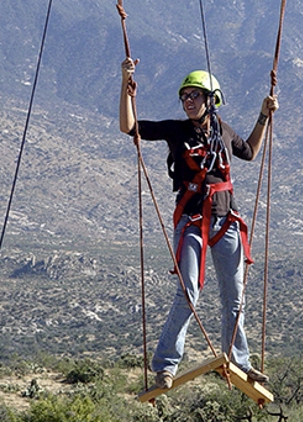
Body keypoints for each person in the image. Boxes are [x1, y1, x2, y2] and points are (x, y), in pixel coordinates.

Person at [119, 57, 279, 390]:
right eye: (184, 97)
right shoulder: (176, 130)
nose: (188, 101)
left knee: (235, 298)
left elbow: (249, 151)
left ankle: (240, 361)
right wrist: (126, 86)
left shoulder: (222, 129)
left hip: (227, 221)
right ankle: (165, 365)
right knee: (188, 293)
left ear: (211, 100)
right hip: (192, 220)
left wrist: (263, 116)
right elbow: (129, 127)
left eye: (195, 96)